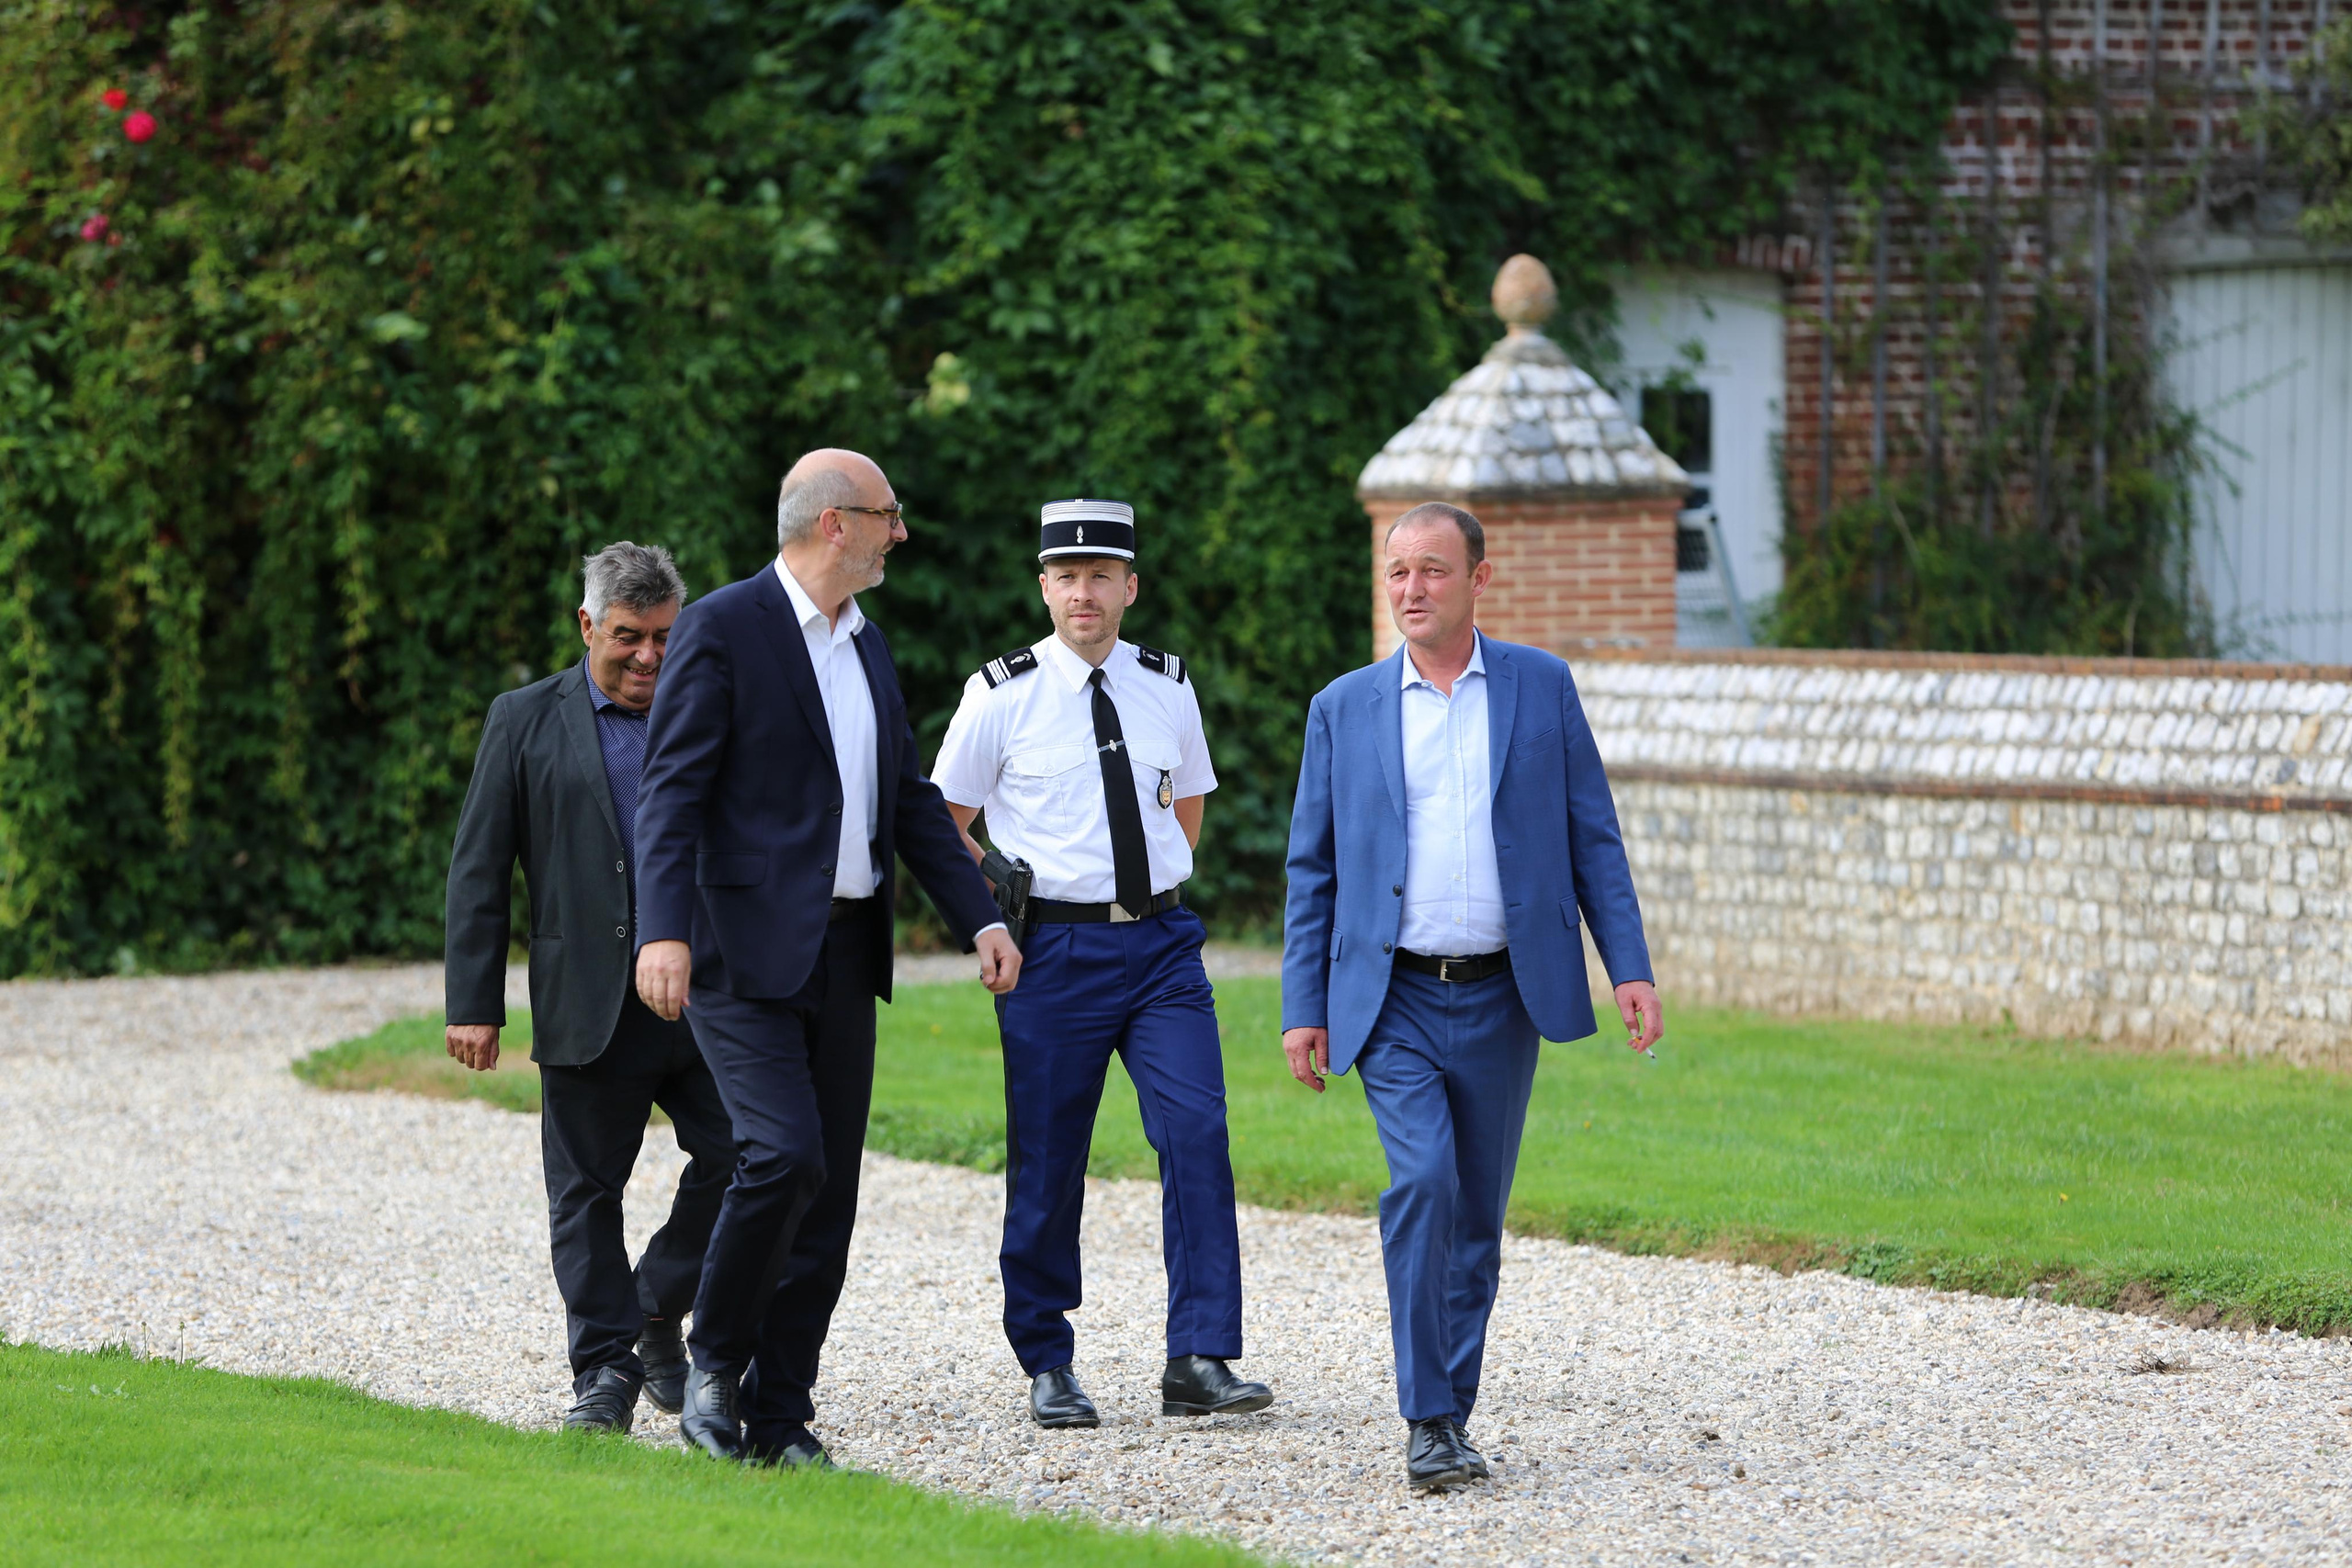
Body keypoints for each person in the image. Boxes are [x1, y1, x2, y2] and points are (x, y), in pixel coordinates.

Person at [632, 448, 1023, 1467]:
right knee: (781, 1155)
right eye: (887, 516)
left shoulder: (868, 646)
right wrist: (661, 929)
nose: (900, 533)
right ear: (833, 523)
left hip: (847, 955)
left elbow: (907, 800)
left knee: (830, 1193)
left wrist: (979, 915)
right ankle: (711, 1371)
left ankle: (782, 1413)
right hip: (737, 949)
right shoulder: (724, 627)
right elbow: (670, 791)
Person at [1280, 501, 1663, 1492]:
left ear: (1478, 580)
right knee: (1423, 1188)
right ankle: (1428, 1419)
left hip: (1503, 996)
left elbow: (1593, 839)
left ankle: (1452, 1411)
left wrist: (1627, 967)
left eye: (1432, 571)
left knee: (1477, 1220)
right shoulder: (1344, 707)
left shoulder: (1540, 688)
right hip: (1392, 995)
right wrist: (1301, 1004)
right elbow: (1310, 868)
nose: (1410, 590)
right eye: (1396, 571)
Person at [932, 499, 1272, 1430]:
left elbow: (1184, 812)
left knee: (1196, 1133)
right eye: (1065, 576)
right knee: (1048, 1158)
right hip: (1054, 953)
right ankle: (1046, 1359)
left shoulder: (1167, 684)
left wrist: (1145, 895)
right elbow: (942, 825)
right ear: (1043, 586)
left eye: (1100, 575)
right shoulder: (999, 693)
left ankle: (1199, 1356)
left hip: (1162, 947)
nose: (1083, 592)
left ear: (1131, 585)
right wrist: (991, 914)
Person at [443, 541, 735, 1433]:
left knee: (751, 1157)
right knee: (584, 1194)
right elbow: (480, 869)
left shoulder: (715, 707)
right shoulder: (523, 719)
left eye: (662, 637)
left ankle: (655, 1301)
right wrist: (474, 1003)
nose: (649, 656)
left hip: (709, 994)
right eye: (627, 637)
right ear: (586, 626)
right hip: (587, 998)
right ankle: (603, 1375)